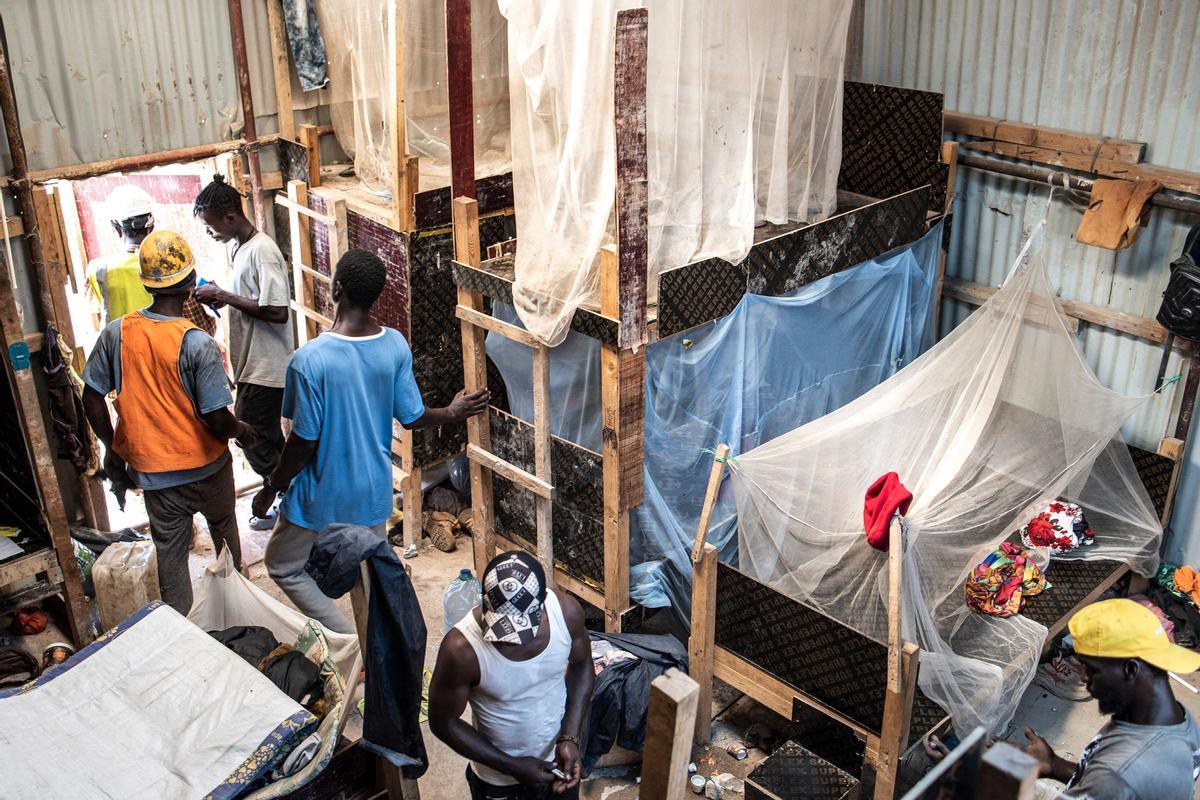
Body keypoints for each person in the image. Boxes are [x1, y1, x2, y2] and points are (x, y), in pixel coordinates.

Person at [252, 248, 488, 633]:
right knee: (368, 575)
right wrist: (452, 411)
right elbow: (412, 416)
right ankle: (374, 651)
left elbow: (302, 442)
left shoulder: (308, 360)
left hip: (322, 493)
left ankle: (345, 639)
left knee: (282, 565)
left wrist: (271, 487)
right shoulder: (394, 344)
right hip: (372, 491)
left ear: (337, 287)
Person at [82, 230, 257, 614]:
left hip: (157, 476)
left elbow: (91, 396)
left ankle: (183, 631)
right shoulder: (196, 343)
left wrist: (113, 448)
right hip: (208, 470)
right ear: (192, 283)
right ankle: (240, 614)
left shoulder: (118, 333)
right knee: (226, 539)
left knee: (172, 560)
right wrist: (241, 430)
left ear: (147, 284)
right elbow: (216, 418)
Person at [924, 598, 1200, 799]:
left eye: (1092, 670)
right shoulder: (1177, 722)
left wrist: (962, 779)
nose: (1083, 679)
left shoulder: (1118, 775)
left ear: (1130, 669)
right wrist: (1054, 765)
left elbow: (1110, 783)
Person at [429, 551, 594, 799]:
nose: (508, 640)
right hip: (496, 780)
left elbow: (582, 667)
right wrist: (510, 766)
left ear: (541, 607)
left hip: (559, 767)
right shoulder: (461, 650)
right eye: (500, 626)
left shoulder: (566, 614)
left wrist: (569, 737)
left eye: (520, 629)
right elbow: (443, 722)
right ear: (485, 603)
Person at [193, 175, 294, 531]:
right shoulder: (240, 248)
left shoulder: (263, 251)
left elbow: (277, 310)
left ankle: (285, 498)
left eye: (211, 227)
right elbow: (252, 302)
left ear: (231, 217)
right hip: (252, 365)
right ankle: (292, 500)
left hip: (267, 367)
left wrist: (223, 296)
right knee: (269, 439)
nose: (210, 234)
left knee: (252, 437)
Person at [85, 185, 155, 325]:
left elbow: (95, 310)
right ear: (151, 227)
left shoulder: (97, 269)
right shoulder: (169, 263)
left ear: (116, 229)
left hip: (118, 345)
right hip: (162, 344)